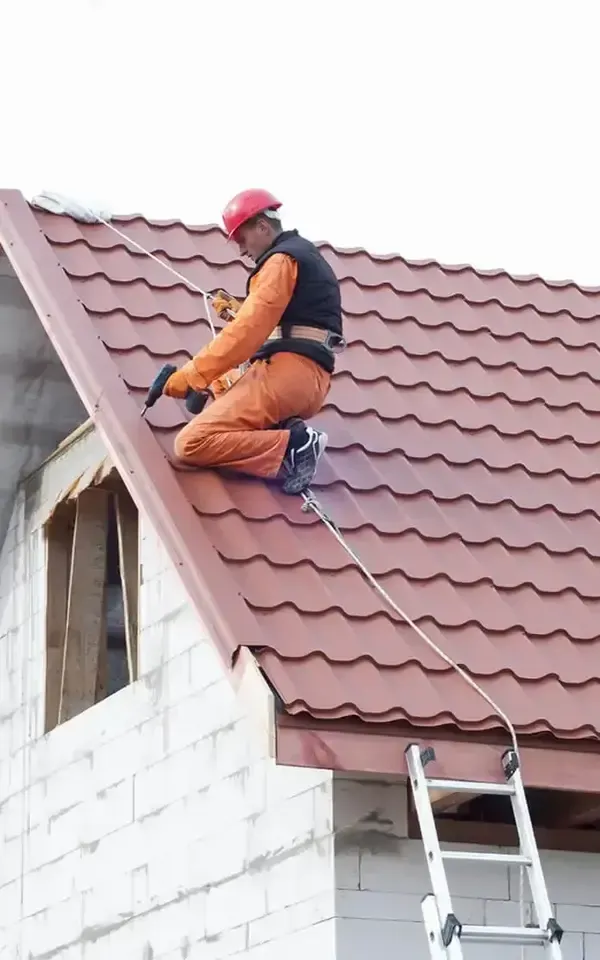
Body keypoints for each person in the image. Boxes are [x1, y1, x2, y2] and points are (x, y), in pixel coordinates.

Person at [163, 188, 344, 495]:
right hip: (307, 382)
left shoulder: (281, 261)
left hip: (287, 376)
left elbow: (248, 334)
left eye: (241, 239)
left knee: (191, 443)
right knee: (222, 384)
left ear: (262, 225)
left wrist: (190, 376)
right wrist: (239, 310)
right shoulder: (304, 255)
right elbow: (287, 322)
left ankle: (295, 445)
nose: (241, 250)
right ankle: (285, 429)